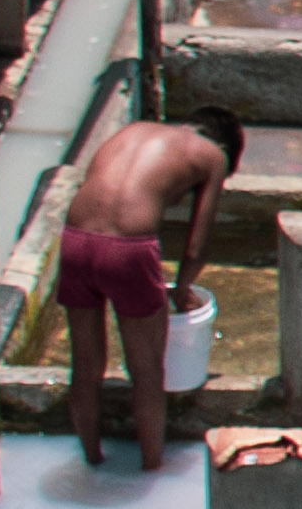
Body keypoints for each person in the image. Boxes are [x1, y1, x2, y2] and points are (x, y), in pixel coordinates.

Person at [57, 109, 240, 470]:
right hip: (129, 250)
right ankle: (151, 469)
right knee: (147, 371)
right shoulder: (211, 155)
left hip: (75, 240)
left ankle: (91, 461)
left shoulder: (133, 130)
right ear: (223, 144)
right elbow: (195, 249)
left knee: (85, 367)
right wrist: (180, 290)